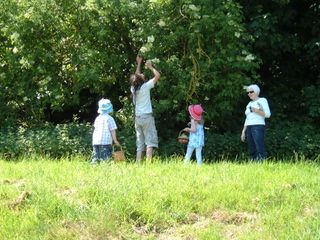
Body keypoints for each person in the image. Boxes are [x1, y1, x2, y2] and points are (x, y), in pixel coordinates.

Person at [130, 55, 160, 162]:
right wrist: (151, 67)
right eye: (142, 75)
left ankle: (138, 163)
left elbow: (136, 76)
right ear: (141, 80)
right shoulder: (145, 87)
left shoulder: (133, 89)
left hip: (138, 118)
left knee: (140, 143)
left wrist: (139, 62)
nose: (142, 74)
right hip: (147, 117)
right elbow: (157, 76)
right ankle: (148, 163)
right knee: (149, 142)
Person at [241, 84, 271, 161]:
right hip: (249, 127)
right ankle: (252, 163)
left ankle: (261, 162)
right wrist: (243, 131)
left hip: (258, 126)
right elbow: (247, 118)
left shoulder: (262, 100)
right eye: (248, 92)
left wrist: (256, 110)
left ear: (257, 92)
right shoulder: (249, 104)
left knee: (259, 146)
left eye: (251, 92)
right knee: (251, 147)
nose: (249, 94)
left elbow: (268, 115)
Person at [91, 98, 120, 164]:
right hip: (105, 142)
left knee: (96, 157)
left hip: (96, 141)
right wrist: (115, 140)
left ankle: (94, 168)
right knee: (105, 159)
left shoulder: (98, 118)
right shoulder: (110, 118)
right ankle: (105, 170)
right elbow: (112, 130)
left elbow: (95, 128)